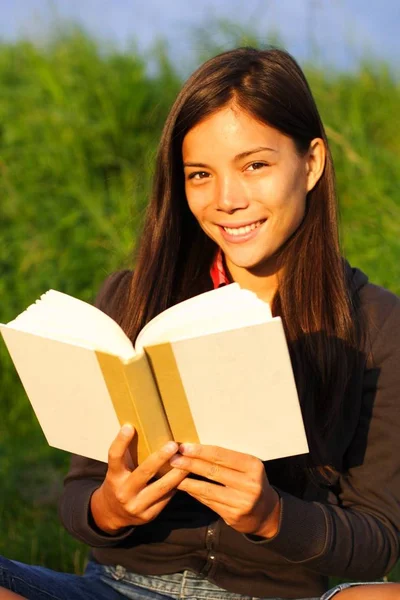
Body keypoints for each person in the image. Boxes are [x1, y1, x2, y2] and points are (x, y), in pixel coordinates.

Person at [0, 47, 399, 600]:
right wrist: (110, 507)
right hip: (117, 589)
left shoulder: (378, 322)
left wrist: (272, 516)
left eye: (255, 165)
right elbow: (80, 495)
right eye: (200, 175)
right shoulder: (135, 296)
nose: (228, 200)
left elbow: (378, 540)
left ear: (311, 163)